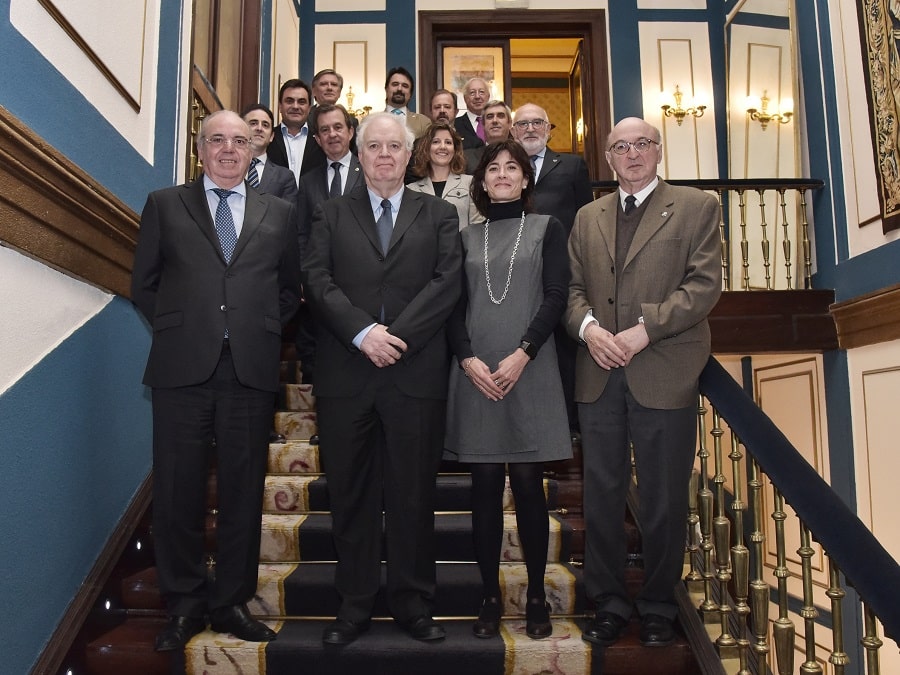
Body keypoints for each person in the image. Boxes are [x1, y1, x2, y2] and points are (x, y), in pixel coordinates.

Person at [131, 110, 301, 652]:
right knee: (177, 490)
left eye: (240, 141)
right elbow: (145, 284)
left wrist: (256, 329)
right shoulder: (165, 204)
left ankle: (230, 601)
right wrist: (187, 327)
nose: (229, 149)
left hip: (248, 371)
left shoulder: (280, 212)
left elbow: (290, 288)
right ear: (199, 150)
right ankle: (182, 603)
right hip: (182, 371)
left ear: (255, 150)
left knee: (243, 489)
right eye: (217, 140)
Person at [302, 112, 462, 646]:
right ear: (359, 152)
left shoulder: (438, 214)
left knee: (415, 495)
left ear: (408, 153)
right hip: (347, 375)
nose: (385, 155)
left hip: (414, 375)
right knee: (350, 495)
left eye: (394, 146)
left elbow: (446, 283)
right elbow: (316, 279)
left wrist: (396, 338)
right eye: (374, 146)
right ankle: (354, 606)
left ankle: (415, 604)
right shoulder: (330, 212)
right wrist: (363, 333)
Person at [565, 117, 722, 648]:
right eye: (620, 147)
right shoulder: (587, 216)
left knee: (662, 497)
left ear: (658, 151)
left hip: (664, 370)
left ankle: (658, 604)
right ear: (608, 157)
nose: (632, 154)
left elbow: (703, 286)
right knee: (602, 494)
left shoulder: (698, 207)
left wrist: (640, 332)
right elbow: (571, 289)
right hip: (599, 373)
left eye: (642, 145)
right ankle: (607, 600)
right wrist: (588, 330)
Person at [445, 139, 572, 641]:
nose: (501, 174)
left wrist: (524, 351)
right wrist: (467, 357)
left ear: (525, 179)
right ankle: (489, 595)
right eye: (492, 168)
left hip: (530, 368)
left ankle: (536, 593)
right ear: (481, 182)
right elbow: (453, 306)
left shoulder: (546, 228)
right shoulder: (463, 236)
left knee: (526, 487)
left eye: (511, 168)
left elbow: (558, 294)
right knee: (481, 491)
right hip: (476, 373)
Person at [512, 102, 593, 434]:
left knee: (563, 344)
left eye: (537, 123)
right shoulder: (506, 166)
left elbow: (587, 217)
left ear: (548, 128)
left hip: (562, 266)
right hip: (517, 268)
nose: (530, 129)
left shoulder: (572, 165)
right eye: (523, 124)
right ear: (513, 131)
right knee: (522, 339)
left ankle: (567, 423)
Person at [295, 104, 364, 388]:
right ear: (317, 140)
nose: (332, 134)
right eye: (325, 130)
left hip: (362, 284)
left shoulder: (369, 172)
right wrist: (304, 277)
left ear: (350, 132)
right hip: (320, 288)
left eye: (338, 127)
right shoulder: (308, 181)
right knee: (321, 361)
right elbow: (301, 234)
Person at [406, 122, 481, 229]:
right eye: (436, 142)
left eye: (448, 142)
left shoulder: (470, 183)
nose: (442, 147)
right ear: (427, 148)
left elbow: (477, 228)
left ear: (455, 150)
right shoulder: (411, 190)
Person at [267, 78, 326, 184]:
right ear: (280, 106)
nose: (295, 106)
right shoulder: (268, 138)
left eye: (301, 102)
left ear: (309, 108)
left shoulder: (321, 140)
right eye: (289, 101)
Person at [241, 104, 298, 202]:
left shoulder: (285, 177)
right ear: (240, 130)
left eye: (265, 125)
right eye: (253, 123)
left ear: (271, 136)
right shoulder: (226, 167)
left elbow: (287, 215)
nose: (259, 128)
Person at [465, 100, 513, 173]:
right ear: (483, 125)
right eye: (490, 117)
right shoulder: (467, 158)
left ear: (509, 123)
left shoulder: (522, 154)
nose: (495, 121)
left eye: (500, 116)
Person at [384, 66, 430, 138]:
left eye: (405, 86)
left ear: (410, 94)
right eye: (395, 84)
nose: (399, 89)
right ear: (386, 89)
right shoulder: (371, 121)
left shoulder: (423, 122)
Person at [455, 77, 490, 145]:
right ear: (465, 98)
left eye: (481, 92)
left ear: (488, 96)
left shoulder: (496, 123)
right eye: (472, 93)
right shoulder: (456, 125)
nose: (477, 96)